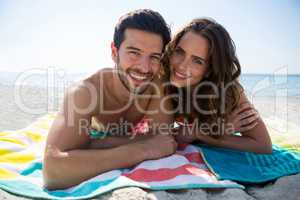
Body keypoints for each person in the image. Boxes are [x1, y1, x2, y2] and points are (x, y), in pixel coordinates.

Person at [43, 9, 177, 190]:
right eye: (134, 52)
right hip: (98, 126)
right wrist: (144, 149)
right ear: (114, 52)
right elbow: (53, 172)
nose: (144, 68)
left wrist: (99, 144)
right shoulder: (86, 92)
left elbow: (163, 140)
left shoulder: (157, 86)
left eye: (154, 57)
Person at [162, 18, 272, 154]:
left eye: (197, 61)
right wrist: (215, 130)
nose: (182, 66)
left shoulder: (229, 91)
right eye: (179, 52)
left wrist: (203, 134)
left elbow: (263, 145)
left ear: (210, 69)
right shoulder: (162, 79)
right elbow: (164, 136)